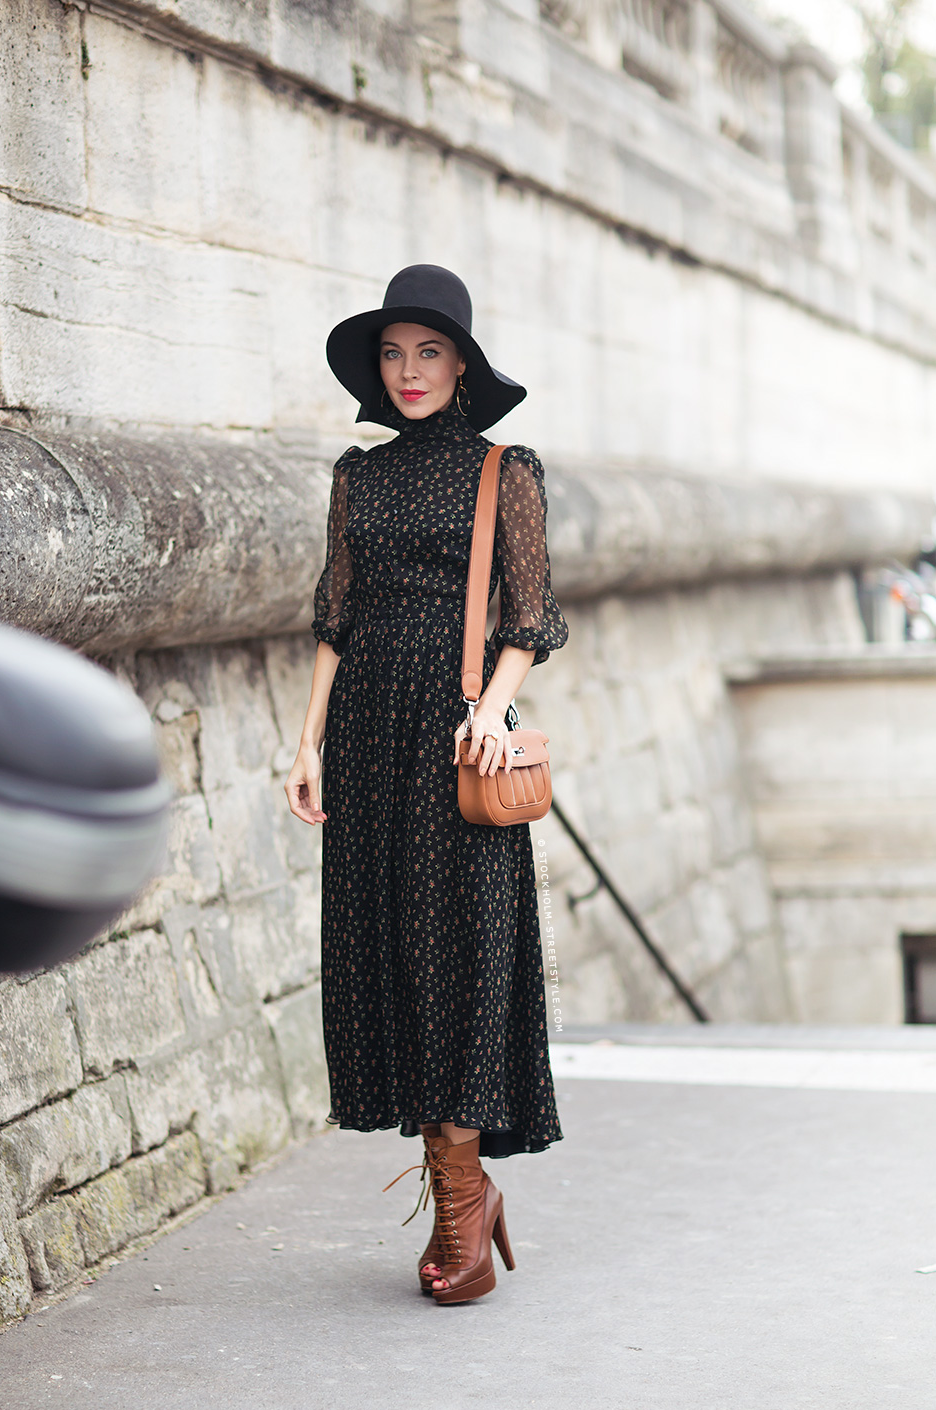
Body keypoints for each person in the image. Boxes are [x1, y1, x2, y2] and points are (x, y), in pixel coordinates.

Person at [284, 264, 569, 1305]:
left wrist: (492, 709)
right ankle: (460, 1188)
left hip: (456, 741)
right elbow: (336, 617)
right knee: (393, 954)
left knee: (460, 953)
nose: (409, 371)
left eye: (429, 352)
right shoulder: (356, 478)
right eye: (394, 353)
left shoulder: (505, 470)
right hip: (365, 739)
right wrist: (307, 742)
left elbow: (530, 615)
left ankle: (459, 1199)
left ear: (461, 366)